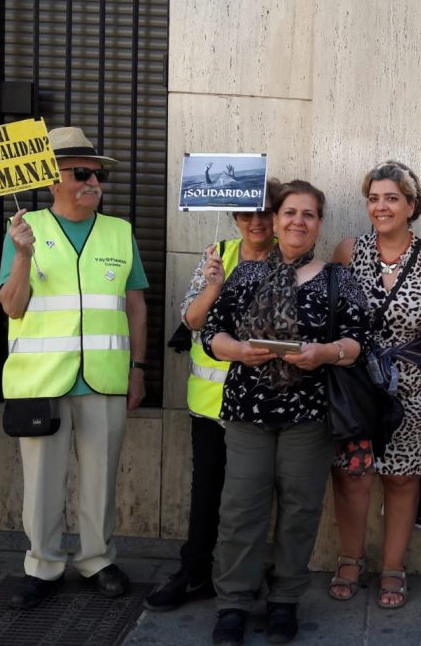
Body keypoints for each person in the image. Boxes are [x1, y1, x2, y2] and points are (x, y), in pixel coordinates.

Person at [202, 180, 370, 646]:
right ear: (275, 221)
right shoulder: (244, 275)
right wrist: (236, 349)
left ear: (319, 223)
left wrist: (325, 352)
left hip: (310, 415)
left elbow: (359, 342)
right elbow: (209, 334)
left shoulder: (339, 278)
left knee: (299, 510)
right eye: (289, 212)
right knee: (241, 509)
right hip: (247, 411)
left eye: (308, 214)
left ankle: (285, 600)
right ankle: (234, 602)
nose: (298, 221)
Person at [0, 126, 148, 609]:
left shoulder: (119, 232)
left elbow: (136, 305)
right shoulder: (25, 231)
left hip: (104, 377)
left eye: (97, 174)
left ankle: (97, 559)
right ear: (52, 180)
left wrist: (138, 368)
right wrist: (22, 257)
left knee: (101, 478)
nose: (93, 182)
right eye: (81, 173)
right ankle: (42, 564)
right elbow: (12, 307)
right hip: (42, 380)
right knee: (41, 481)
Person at [143, 190, 277, 612]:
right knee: (207, 492)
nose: (256, 222)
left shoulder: (288, 258)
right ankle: (194, 572)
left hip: (261, 404)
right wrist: (214, 285)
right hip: (211, 403)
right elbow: (192, 319)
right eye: (245, 213)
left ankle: (246, 575)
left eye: (265, 213)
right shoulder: (218, 253)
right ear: (234, 216)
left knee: (254, 495)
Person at [328, 160, 421, 609]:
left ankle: (393, 567)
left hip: (411, 388)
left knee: (401, 479)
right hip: (357, 386)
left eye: (392, 198)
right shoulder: (348, 250)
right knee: (353, 476)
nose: (381, 207)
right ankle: (349, 559)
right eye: (374, 198)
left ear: (411, 205)